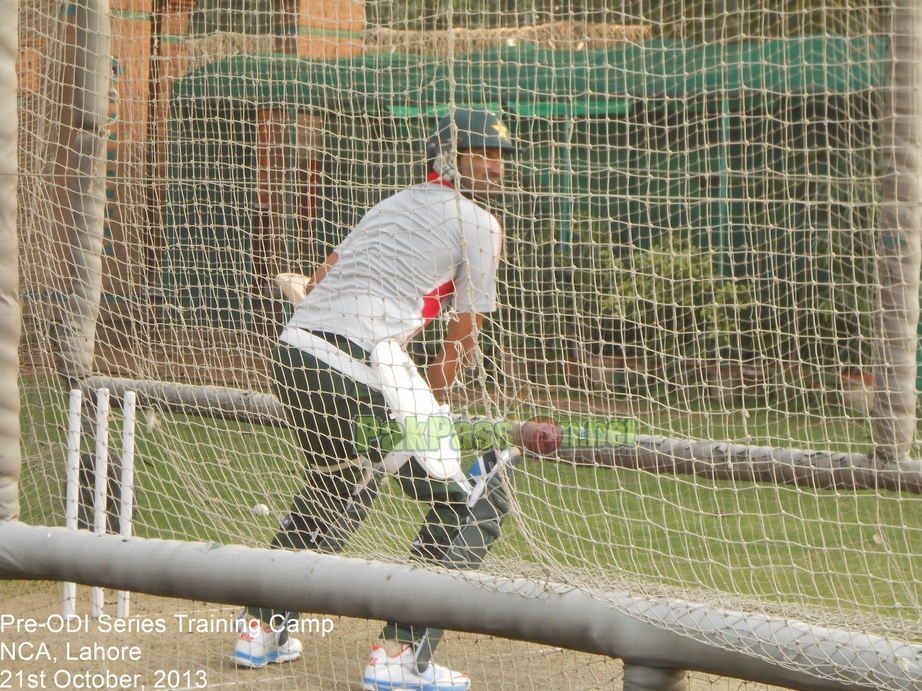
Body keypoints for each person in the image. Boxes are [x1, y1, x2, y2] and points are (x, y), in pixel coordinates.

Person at [232, 109, 517, 691]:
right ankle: (400, 657)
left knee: (342, 486)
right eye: (483, 153)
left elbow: (316, 281)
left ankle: (260, 630)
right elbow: (463, 338)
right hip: (356, 369)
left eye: (501, 155)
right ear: (447, 159)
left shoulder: (387, 204)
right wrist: (428, 413)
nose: (497, 166)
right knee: (481, 488)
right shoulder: (482, 225)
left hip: (295, 353)